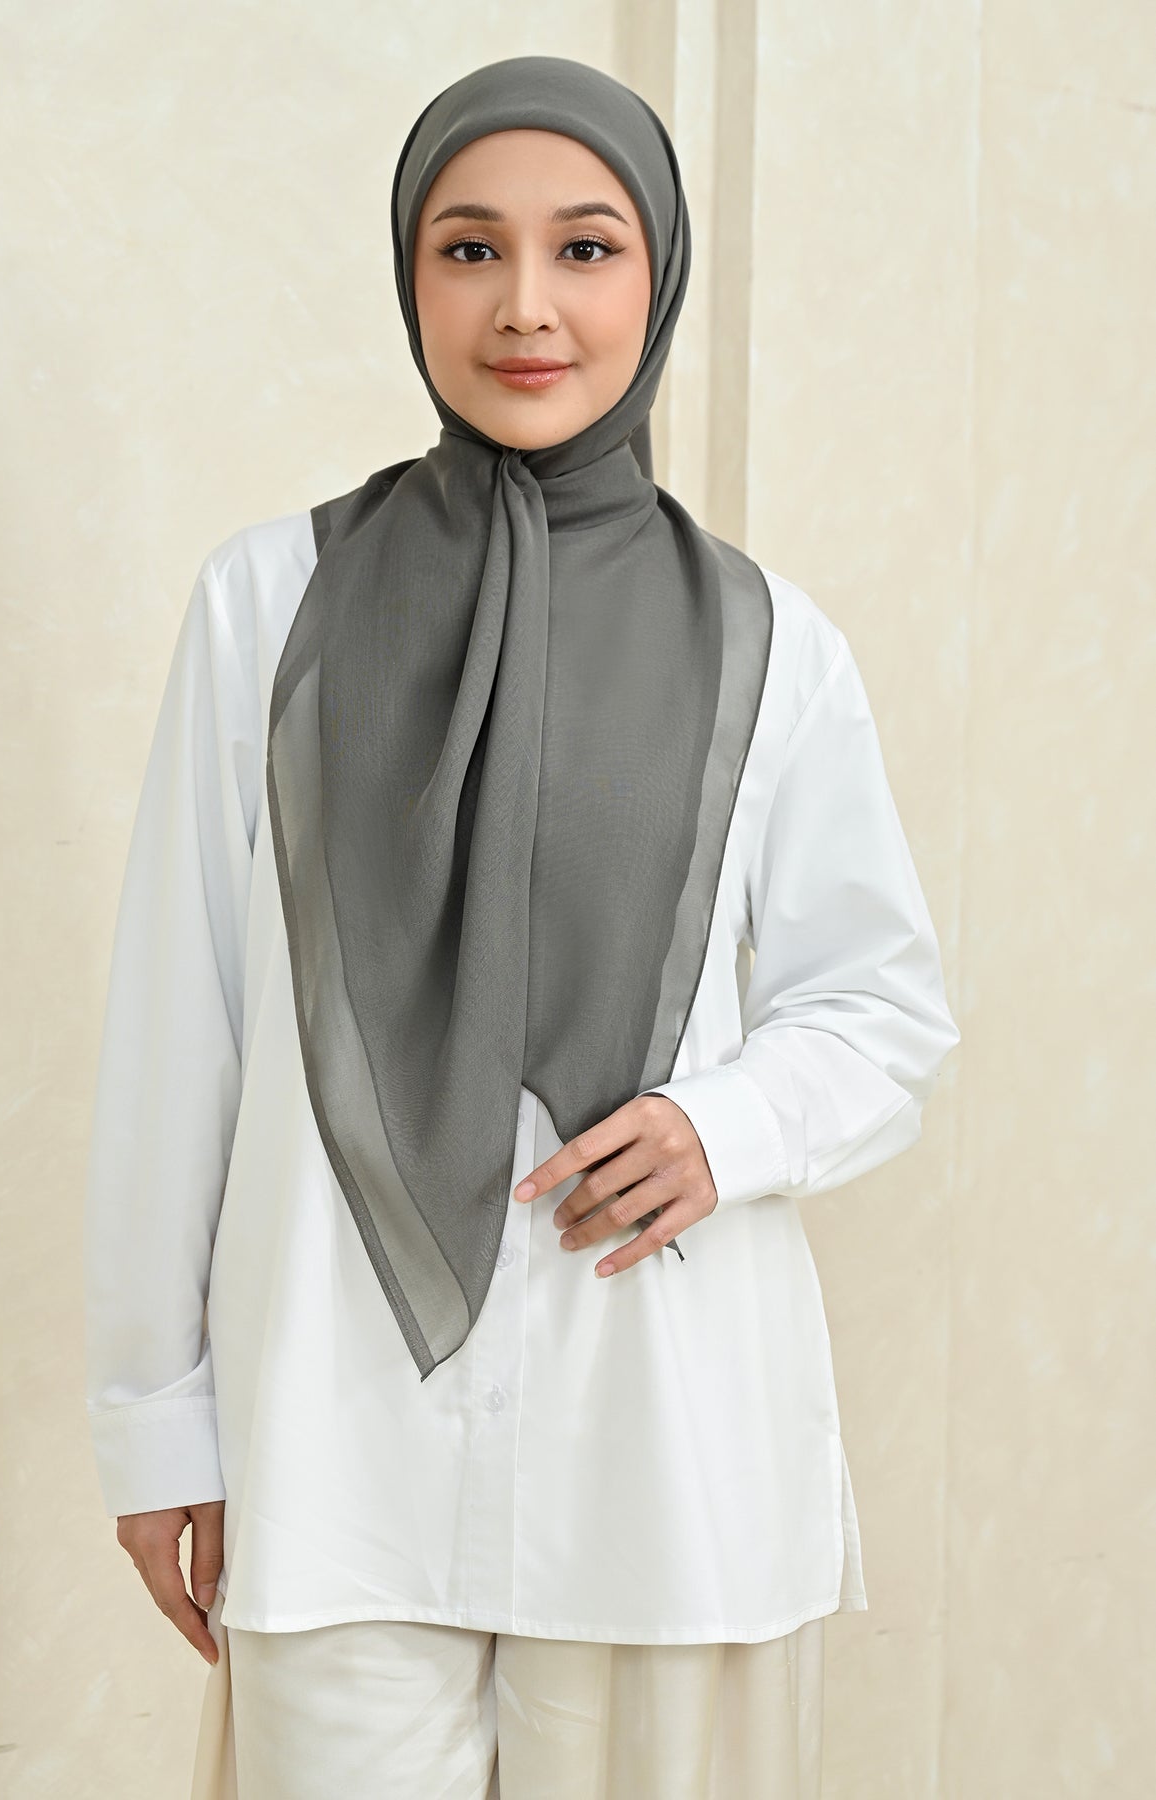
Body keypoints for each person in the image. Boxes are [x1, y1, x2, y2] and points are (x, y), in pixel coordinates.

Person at [83, 54, 960, 1800]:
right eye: (470, 249)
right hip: (334, 1442)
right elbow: (183, 1030)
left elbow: (881, 1008)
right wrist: (154, 1421)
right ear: (409, 277)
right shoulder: (271, 605)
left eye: (587, 247)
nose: (527, 306)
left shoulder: (772, 644)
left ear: (659, 274)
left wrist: (725, 1127)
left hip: (663, 1451)